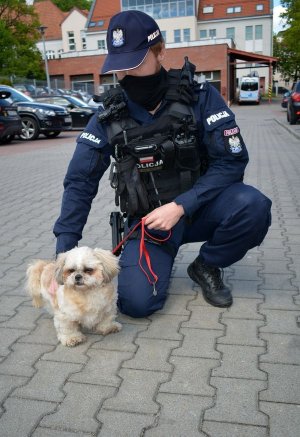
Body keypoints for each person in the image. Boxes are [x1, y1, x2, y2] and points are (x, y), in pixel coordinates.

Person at [53, 10, 272, 318]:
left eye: (136, 63)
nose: (126, 75)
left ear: (160, 51)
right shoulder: (108, 115)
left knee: (253, 206)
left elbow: (232, 163)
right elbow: (80, 181)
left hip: (202, 209)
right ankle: (158, 264)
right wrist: (62, 254)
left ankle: (207, 264)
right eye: (120, 68)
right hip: (150, 223)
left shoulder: (199, 97)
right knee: (136, 304)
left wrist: (181, 205)